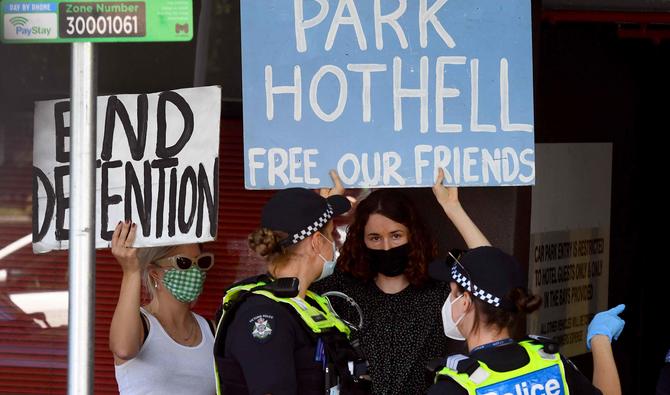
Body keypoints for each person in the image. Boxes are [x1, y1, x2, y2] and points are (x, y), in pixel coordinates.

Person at [311, 169, 490, 394]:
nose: (386, 247)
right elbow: (298, 274)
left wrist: (453, 208)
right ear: (360, 239)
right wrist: (324, 214)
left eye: (396, 235)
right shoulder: (341, 289)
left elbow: (492, 273)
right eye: (375, 238)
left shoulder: (439, 290)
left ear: (412, 236)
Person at [213, 188, 371, 394]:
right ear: (316, 242)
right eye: (330, 234)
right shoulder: (261, 314)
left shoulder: (308, 304)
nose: (334, 244)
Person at [426, 246, 624, 395]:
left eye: (453, 294)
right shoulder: (551, 364)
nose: (449, 301)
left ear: (465, 302)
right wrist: (600, 340)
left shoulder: (452, 388)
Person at [109, 220, 217, 395]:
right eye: (183, 263)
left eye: (201, 262)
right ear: (155, 273)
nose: (195, 271)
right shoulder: (141, 325)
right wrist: (131, 271)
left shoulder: (212, 331)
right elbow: (123, 349)